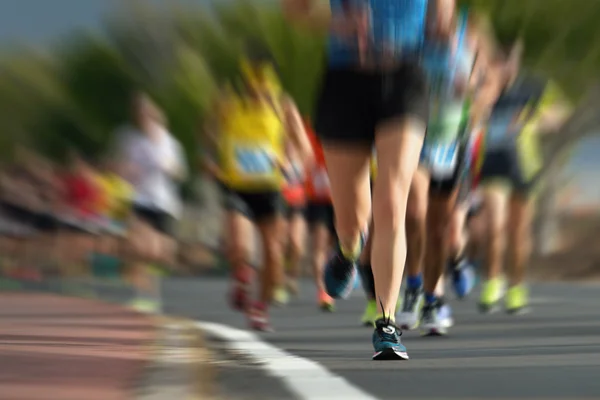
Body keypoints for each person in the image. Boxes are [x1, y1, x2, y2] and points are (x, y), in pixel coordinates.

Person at [284, 0, 454, 360]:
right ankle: (347, 251)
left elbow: (444, 14)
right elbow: (296, 9)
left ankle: (386, 322)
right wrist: (338, 24)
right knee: (352, 221)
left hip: (406, 78)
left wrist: (442, 18)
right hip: (346, 81)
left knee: (393, 201)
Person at [205, 53, 313, 331]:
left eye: (262, 81)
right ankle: (242, 278)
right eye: (251, 81)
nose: (256, 88)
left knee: (274, 254)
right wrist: (212, 157)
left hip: (271, 188)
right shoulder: (228, 101)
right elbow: (208, 133)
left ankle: (260, 308)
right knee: (240, 247)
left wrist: (291, 165)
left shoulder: (282, 106)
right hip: (236, 186)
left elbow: (304, 147)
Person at [477, 40, 566, 314]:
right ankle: (493, 282)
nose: (506, 66)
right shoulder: (485, 87)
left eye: (510, 59)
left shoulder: (535, 86)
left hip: (524, 165)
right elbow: (469, 115)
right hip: (493, 164)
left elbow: (561, 111)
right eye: (500, 60)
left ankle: (516, 287)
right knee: (495, 223)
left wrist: (534, 118)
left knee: (518, 231)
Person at [115, 93, 187, 313]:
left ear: (155, 116)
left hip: (164, 202)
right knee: (138, 247)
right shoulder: (134, 143)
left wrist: (170, 167)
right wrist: (127, 172)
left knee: (158, 253)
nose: (144, 118)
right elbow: (124, 170)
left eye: (148, 114)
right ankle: (146, 296)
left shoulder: (169, 143)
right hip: (140, 200)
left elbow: (180, 172)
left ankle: (154, 279)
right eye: (140, 115)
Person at [304, 119, 336, 311]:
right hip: (317, 198)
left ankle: (337, 274)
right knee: (319, 245)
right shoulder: (308, 128)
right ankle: (323, 291)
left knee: (336, 247)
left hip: (339, 199)